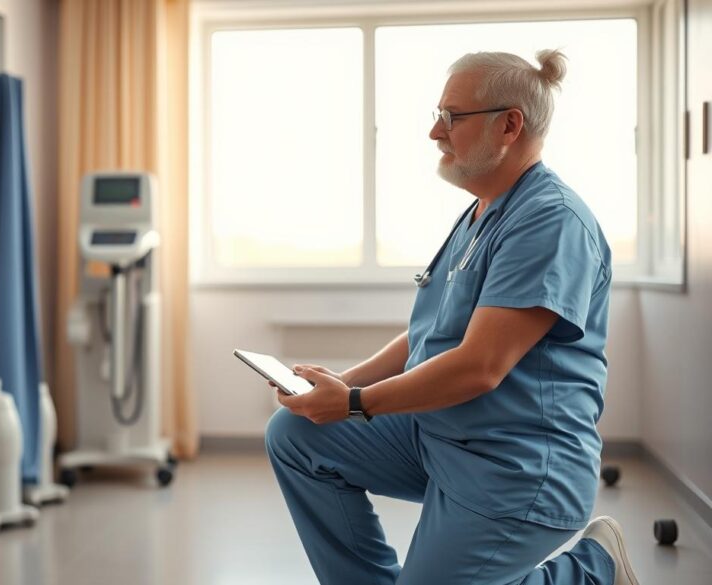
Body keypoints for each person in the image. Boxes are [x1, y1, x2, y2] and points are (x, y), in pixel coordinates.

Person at [264, 50, 640, 585]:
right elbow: (430, 334)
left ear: (509, 125)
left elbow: (479, 367)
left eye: (451, 117)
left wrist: (352, 403)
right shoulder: (483, 211)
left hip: (515, 463)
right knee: (297, 434)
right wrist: (345, 383)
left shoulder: (550, 221)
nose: (434, 132)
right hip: (441, 436)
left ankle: (593, 569)